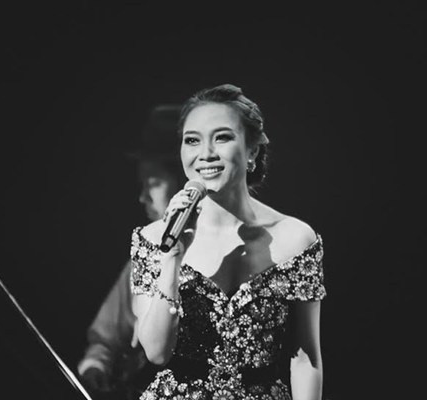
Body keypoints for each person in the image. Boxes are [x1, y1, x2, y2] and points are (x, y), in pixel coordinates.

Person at [130, 84, 326, 400]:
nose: (206, 153)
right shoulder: (154, 238)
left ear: (252, 151)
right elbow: (155, 352)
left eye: (222, 137)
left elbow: (306, 359)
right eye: (192, 140)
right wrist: (172, 257)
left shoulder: (295, 238)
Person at [77, 105, 187, 399]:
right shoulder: (144, 256)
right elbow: (104, 341)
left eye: (153, 182)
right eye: (142, 184)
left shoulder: (227, 256)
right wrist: (94, 368)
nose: (142, 197)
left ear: (185, 183)